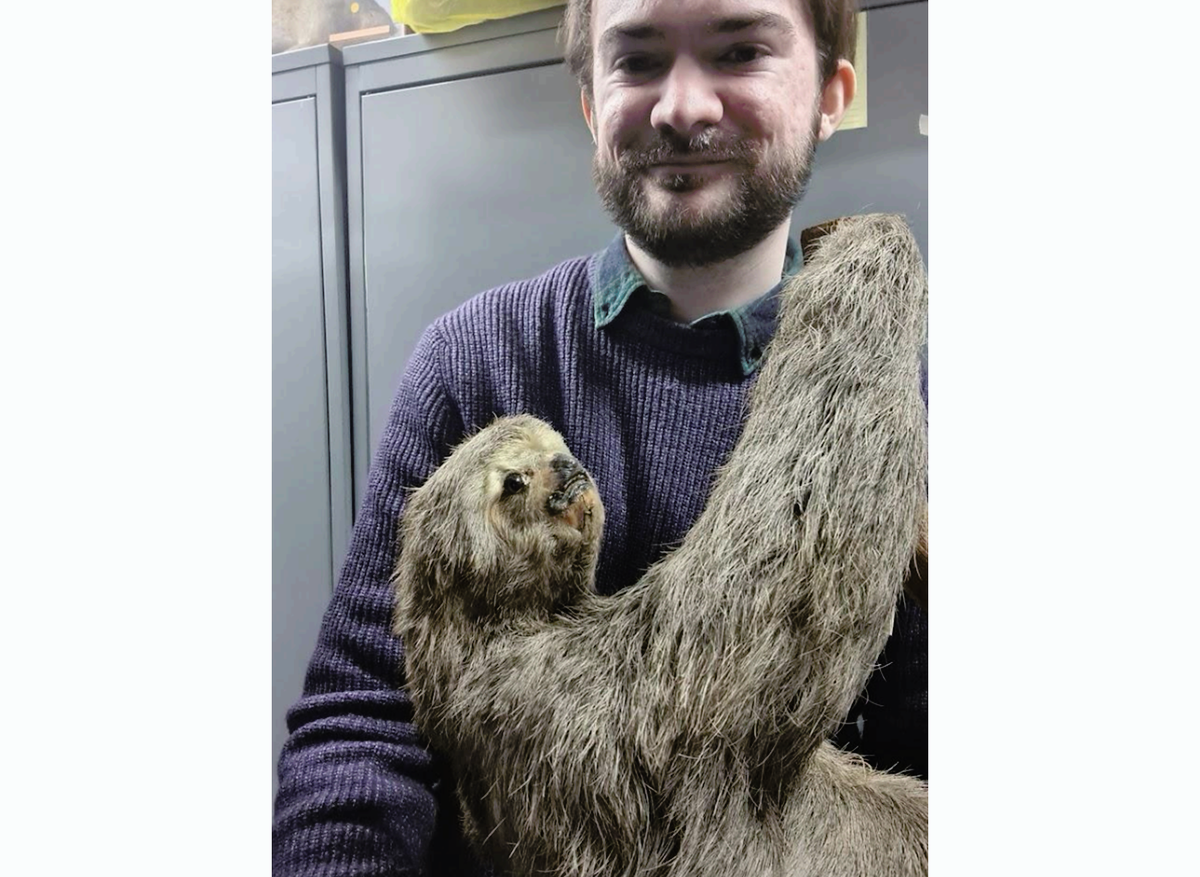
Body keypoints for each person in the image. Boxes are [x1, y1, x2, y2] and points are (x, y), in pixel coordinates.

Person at [272, 0, 927, 873]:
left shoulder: (927, 396)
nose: (682, 107)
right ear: (591, 104)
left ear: (830, 95)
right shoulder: (476, 359)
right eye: (638, 59)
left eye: (740, 50)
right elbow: (363, 725)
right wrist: (872, 288)